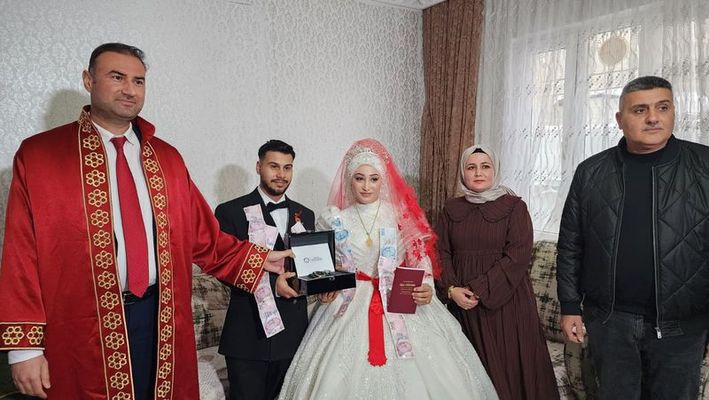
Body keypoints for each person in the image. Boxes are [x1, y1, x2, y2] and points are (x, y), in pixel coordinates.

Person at [0, 42, 291, 400]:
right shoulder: (41, 156)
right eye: (117, 77)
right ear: (88, 80)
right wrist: (25, 349)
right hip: (80, 328)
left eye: (138, 81)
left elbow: (206, 238)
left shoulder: (167, 159)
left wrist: (260, 259)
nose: (129, 89)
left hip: (162, 319)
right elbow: (21, 256)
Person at [277, 138, 498, 399]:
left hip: (398, 295)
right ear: (349, 180)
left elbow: (419, 256)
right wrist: (325, 288)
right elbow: (325, 267)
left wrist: (426, 284)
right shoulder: (335, 219)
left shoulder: (399, 214)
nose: (366, 186)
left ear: (383, 181)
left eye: (374, 179)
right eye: (359, 178)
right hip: (349, 300)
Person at [557, 76, 709, 399]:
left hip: (683, 327)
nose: (653, 118)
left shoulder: (704, 165)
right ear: (620, 119)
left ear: (673, 111)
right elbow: (571, 245)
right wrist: (570, 305)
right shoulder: (590, 172)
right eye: (640, 110)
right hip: (611, 323)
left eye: (662, 107)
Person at [436, 145, 559, 400]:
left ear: (495, 170)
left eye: (485, 166)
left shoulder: (514, 207)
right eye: (471, 167)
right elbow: (441, 253)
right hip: (463, 305)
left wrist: (478, 289)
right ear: (462, 173)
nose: (478, 173)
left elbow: (517, 257)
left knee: (508, 372)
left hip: (507, 304)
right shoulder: (451, 209)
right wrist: (451, 290)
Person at [214, 139, 315, 400]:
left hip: (293, 336)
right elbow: (224, 267)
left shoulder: (306, 214)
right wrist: (273, 286)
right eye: (274, 166)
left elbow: (309, 266)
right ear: (259, 167)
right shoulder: (229, 212)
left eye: (287, 168)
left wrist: (325, 283)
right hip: (248, 338)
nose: (281, 174)